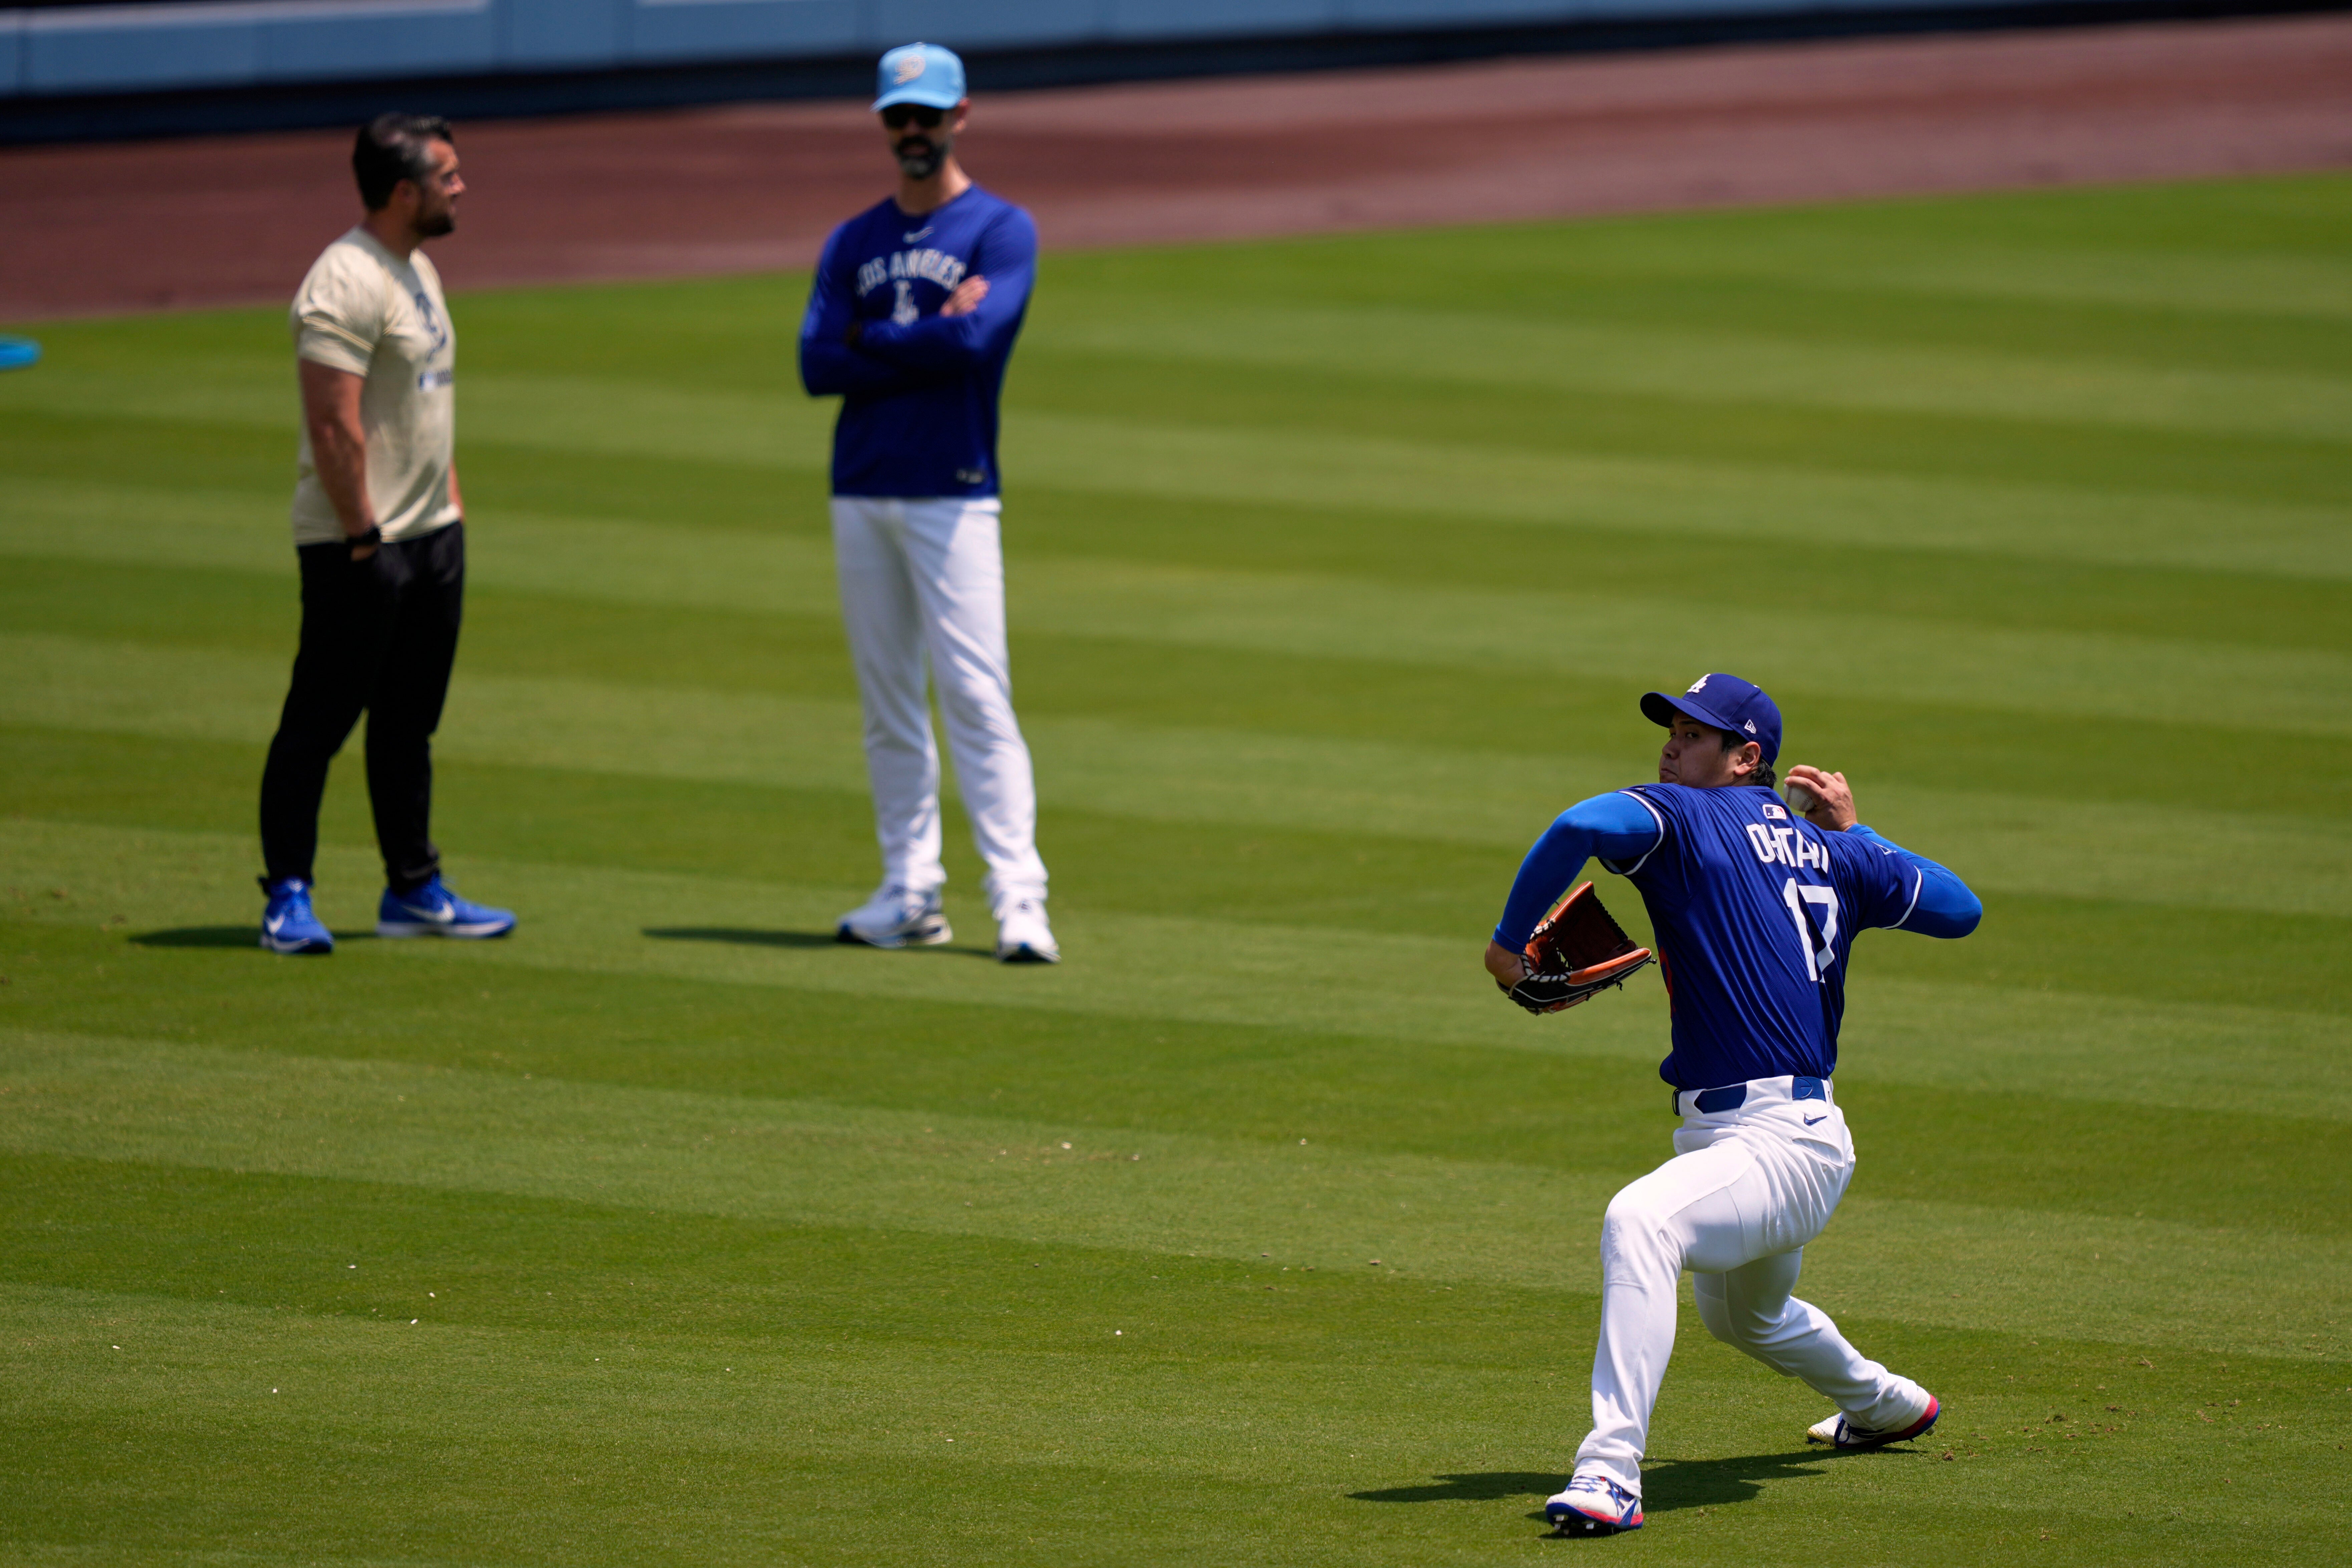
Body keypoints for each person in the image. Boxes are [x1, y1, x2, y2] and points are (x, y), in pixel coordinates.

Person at [1483, 674, 1982, 1536]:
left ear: (1747, 757)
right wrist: (1859, 834)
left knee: (1640, 1220)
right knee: (1746, 1314)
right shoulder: (1841, 853)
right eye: (1672, 730)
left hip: (1778, 1146)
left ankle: (1609, 1473)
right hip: (1771, 1140)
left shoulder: (1688, 815)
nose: (1673, 747)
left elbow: (1579, 825)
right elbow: (1960, 908)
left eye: (1694, 734)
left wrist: (1504, 946)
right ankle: (1889, 1403)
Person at [798, 42, 1057, 964]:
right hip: (863, 487)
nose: (915, 132)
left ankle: (1019, 897)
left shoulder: (1000, 229)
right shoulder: (853, 239)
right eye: (899, 117)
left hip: (954, 490)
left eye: (930, 115)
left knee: (978, 695)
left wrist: (877, 336)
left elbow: (979, 342)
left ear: (961, 117)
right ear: (882, 122)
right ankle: (909, 889)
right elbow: (814, 364)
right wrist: (918, 333)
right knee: (888, 703)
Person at [256, 113, 514, 955]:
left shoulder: (417, 267)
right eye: (448, 175)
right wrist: (366, 538)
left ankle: (411, 888)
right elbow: (334, 428)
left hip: (433, 535)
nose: (462, 186)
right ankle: (287, 896)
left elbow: (422, 408)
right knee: (320, 720)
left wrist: (450, 511)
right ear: (405, 191)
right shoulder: (343, 281)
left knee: (409, 721)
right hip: (358, 542)